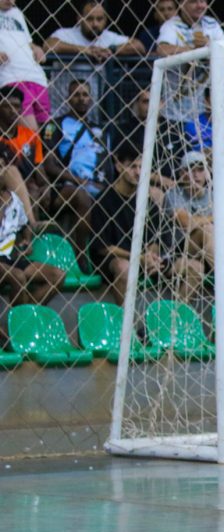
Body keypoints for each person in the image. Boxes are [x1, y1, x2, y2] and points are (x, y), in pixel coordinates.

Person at [90, 145, 203, 304]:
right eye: (132, 166)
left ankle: (172, 320)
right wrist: (138, 258)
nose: (137, 172)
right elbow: (103, 247)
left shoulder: (145, 199)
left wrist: (151, 256)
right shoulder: (103, 199)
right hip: (117, 259)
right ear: (118, 166)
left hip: (145, 259)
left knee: (195, 267)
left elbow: (157, 236)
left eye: (141, 167)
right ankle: (126, 325)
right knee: (124, 269)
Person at [164, 151, 224, 298]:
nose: (196, 175)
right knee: (208, 230)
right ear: (181, 173)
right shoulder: (173, 194)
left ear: (207, 173)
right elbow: (186, 223)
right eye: (191, 169)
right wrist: (218, 217)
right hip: (186, 249)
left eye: (200, 169)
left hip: (219, 250)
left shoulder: (216, 195)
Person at [41, 80, 109, 253]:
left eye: (85, 94)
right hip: (65, 186)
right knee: (82, 196)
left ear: (91, 99)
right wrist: (79, 181)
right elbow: (49, 165)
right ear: (68, 99)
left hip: (97, 185)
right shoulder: (55, 125)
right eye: (76, 94)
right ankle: (80, 255)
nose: (81, 99)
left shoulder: (100, 130)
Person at [0, 144, 63, 305]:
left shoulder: (14, 200)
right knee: (18, 276)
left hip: (7, 259)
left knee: (58, 275)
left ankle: (24, 316)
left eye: (2, 167)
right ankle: (17, 326)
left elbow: (24, 225)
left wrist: (26, 240)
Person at [155, 0, 224, 123]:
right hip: (174, 113)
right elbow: (162, 49)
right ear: (182, 4)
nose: (200, 6)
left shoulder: (212, 24)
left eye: (203, 1)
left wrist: (209, 44)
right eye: (194, 2)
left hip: (204, 114)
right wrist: (193, 51)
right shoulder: (171, 25)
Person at [0, 0, 49, 131]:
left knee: (47, 133)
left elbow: (28, 41)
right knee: (30, 133)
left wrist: (36, 48)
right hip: (11, 77)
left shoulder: (17, 13)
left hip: (37, 77)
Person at [44, 1, 145, 61]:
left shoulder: (109, 37)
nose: (95, 24)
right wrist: (85, 50)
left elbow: (139, 46)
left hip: (96, 95)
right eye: (90, 19)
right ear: (79, 19)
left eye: (99, 19)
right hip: (64, 94)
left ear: (106, 20)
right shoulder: (66, 34)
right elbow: (48, 45)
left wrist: (111, 50)